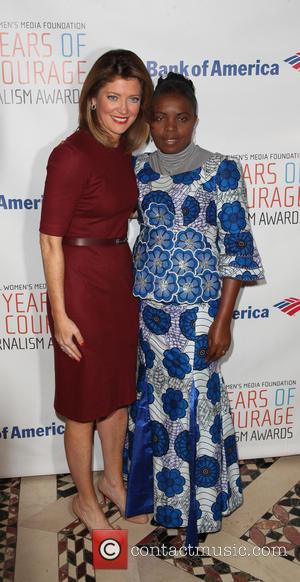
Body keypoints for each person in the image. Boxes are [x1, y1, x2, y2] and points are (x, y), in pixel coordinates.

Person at [124, 72, 264, 547]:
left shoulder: (222, 169)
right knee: (159, 411)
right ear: (148, 120)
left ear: (195, 119)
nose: (169, 128)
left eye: (181, 118)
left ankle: (201, 512)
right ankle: (165, 505)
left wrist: (223, 321)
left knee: (198, 410)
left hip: (201, 314)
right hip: (152, 317)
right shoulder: (137, 170)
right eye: (159, 117)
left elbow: (237, 250)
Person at [39, 49, 153, 533]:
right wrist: (60, 314)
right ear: (92, 99)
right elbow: (49, 239)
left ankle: (113, 481)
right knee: (84, 403)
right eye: (112, 97)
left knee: (118, 394)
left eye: (132, 98)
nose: (123, 108)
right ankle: (85, 500)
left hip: (118, 282)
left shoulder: (122, 152)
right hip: (81, 289)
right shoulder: (70, 154)